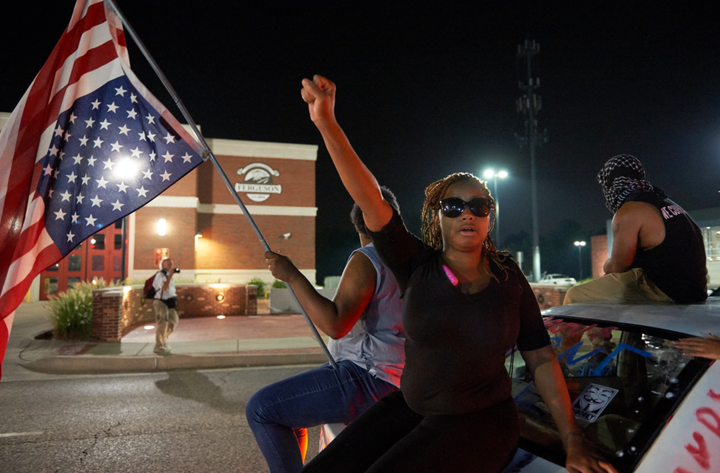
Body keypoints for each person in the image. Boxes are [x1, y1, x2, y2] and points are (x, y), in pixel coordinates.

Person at [299, 75, 615, 473]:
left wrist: (572, 439)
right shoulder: (415, 263)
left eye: (479, 206)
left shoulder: (508, 276)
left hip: (480, 422)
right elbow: (370, 198)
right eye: (454, 207)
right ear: (438, 217)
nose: (467, 213)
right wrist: (327, 123)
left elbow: (540, 357)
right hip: (412, 406)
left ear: (489, 216)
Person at [246, 189, 405, 473]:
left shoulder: (368, 258)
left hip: (370, 376)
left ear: (359, 225)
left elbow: (336, 324)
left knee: (261, 409)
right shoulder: (409, 257)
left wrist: (292, 276)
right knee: (288, 411)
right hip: (397, 373)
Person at [564, 155, 707, 305]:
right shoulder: (665, 202)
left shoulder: (630, 210)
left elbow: (618, 267)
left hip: (668, 289)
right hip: (695, 289)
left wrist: (607, 264)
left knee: (575, 295)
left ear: (610, 183)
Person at [153, 257, 179, 355]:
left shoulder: (168, 275)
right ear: (162, 265)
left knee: (174, 320)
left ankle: (163, 340)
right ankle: (158, 346)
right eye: (168, 264)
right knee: (162, 324)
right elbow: (164, 287)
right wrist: (170, 276)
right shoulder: (160, 275)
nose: (170, 265)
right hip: (161, 303)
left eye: (171, 263)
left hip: (169, 303)